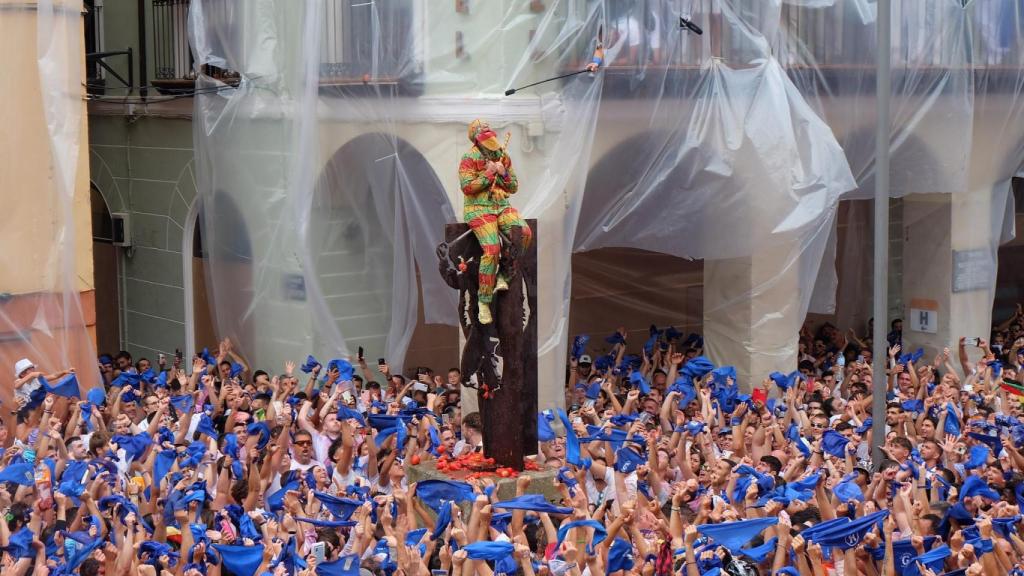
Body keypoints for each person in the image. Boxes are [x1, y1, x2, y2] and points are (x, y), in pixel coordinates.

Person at [459, 119, 533, 324]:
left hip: (501, 206)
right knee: (491, 249)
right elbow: (467, 187)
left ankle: (505, 274)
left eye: (490, 136)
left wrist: (503, 173)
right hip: (478, 209)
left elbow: (513, 187)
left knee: (525, 234)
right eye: (484, 138)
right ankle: (484, 300)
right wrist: (488, 174)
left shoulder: (503, 155)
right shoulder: (469, 157)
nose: (490, 141)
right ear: (476, 140)